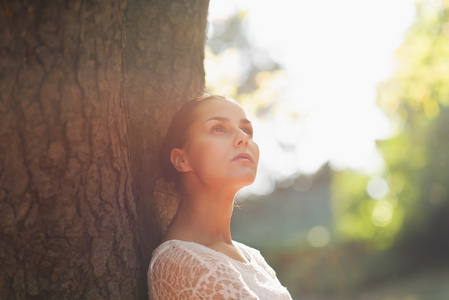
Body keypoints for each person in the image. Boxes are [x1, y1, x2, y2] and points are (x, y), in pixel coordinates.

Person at [148, 94, 292, 299]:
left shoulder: (253, 257)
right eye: (218, 128)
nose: (243, 137)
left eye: (247, 130)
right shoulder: (180, 263)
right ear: (181, 159)